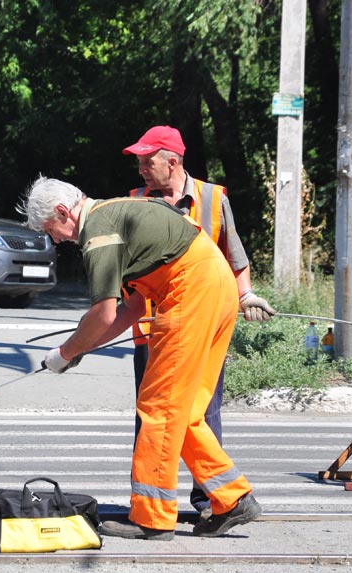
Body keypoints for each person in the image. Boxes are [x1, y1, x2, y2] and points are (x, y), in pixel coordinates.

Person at [19, 176, 262, 540]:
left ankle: (152, 517)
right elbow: (131, 309)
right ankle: (233, 498)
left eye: (50, 228)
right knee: (186, 411)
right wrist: (77, 350)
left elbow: (103, 314)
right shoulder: (115, 216)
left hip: (190, 291)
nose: (54, 239)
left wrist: (64, 353)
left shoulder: (98, 232)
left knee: (158, 407)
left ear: (62, 211)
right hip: (216, 284)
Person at [122, 125, 276, 514]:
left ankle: (209, 497)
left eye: (147, 160)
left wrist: (246, 296)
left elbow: (234, 258)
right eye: (139, 160)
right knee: (153, 415)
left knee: (203, 412)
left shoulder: (212, 199)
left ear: (172, 162)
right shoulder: (136, 201)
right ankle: (153, 500)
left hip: (201, 327)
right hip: (153, 329)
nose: (141, 168)